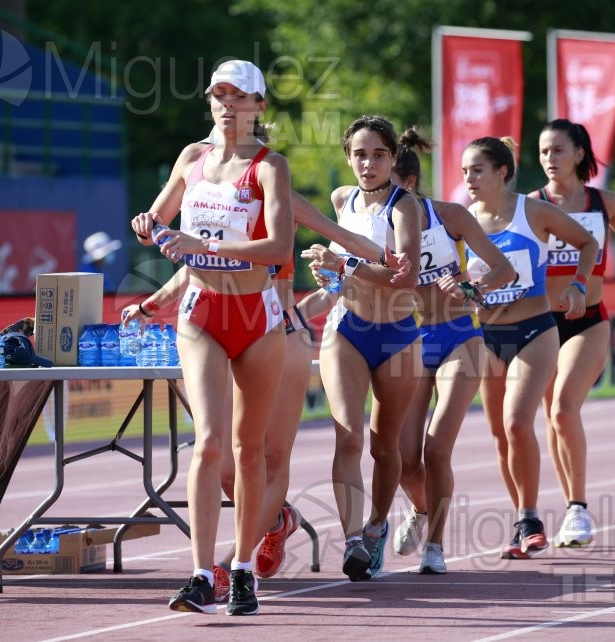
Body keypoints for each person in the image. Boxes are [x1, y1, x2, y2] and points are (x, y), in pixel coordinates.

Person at [123, 191, 409, 604]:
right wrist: (150, 307)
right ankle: (277, 520)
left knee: (267, 458)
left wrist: (392, 259)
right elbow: (196, 267)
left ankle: (224, 568)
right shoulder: (208, 192)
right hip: (219, 327)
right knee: (222, 465)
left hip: (279, 333)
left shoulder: (280, 193)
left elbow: (340, 236)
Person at [130, 59, 293, 616]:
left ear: (258, 107)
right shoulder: (192, 158)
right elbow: (158, 217)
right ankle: (201, 574)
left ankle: (243, 568)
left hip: (257, 316)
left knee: (249, 452)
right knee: (209, 442)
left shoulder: (271, 168)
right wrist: (149, 226)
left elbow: (278, 250)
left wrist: (209, 247)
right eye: (218, 95)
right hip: (201, 312)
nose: (227, 105)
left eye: (239, 96)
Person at [457, 136, 598, 560]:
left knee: (518, 423)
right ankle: (523, 521)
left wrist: (577, 284)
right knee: (501, 437)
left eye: (477, 170)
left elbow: (587, 243)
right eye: (464, 171)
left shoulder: (532, 211)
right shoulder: (463, 220)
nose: (469, 179)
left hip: (535, 331)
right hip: (488, 337)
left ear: (502, 171)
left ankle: (533, 519)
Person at [530, 119, 615, 548]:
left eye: (558, 151)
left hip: (589, 319)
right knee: (552, 418)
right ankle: (570, 506)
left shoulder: (604, 201)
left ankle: (578, 509)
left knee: (565, 408)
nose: (550, 159)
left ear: (580, 154)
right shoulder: (532, 204)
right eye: (544, 151)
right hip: (541, 322)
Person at [302, 114, 423, 582]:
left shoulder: (404, 207)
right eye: (359, 154)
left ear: (392, 159)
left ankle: (375, 528)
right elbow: (339, 272)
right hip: (347, 328)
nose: (368, 164)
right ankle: (353, 541)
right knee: (348, 434)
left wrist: (345, 263)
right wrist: (328, 274)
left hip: (396, 335)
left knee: (384, 447)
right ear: (347, 158)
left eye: (378, 155)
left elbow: (406, 277)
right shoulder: (340, 199)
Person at [388, 130, 514, 574]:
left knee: (436, 448)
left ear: (405, 183)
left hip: (460, 335)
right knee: (404, 460)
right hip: (407, 340)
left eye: (387, 187)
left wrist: (471, 286)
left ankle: (435, 546)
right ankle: (421, 511)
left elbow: (504, 268)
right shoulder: (372, 222)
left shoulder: (451, 217)